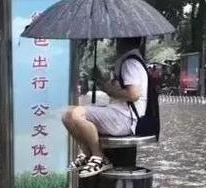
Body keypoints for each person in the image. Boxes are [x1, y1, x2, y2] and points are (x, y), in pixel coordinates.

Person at [62, 36, 148, 178]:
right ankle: (87, 153)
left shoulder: (130, 63)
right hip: (119, 114)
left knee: (77, 113)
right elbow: (120, 90)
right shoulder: (129, 61)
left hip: (125, 119)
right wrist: (101, 81)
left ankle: (99, 157)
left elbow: (133, 95)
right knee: (67, 114)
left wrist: (108, 90)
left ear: (121, 41)